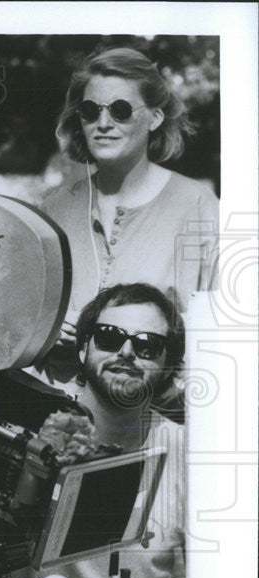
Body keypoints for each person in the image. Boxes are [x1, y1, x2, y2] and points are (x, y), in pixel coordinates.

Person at [39, 47, 218, 387]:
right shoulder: (55, 209)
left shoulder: (199, 208)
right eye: (90, 111)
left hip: (158, 424)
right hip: (58, 421)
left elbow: (226, 339)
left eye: (121, 111)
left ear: (155, 117)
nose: (103, 124)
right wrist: (48, 333)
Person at [57, 283, 186, 578]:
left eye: (148, 345)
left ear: (169, 364)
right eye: (110, 337)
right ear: (83, 347)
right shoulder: (34, 426)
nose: (127, 351)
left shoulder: (188, 455)